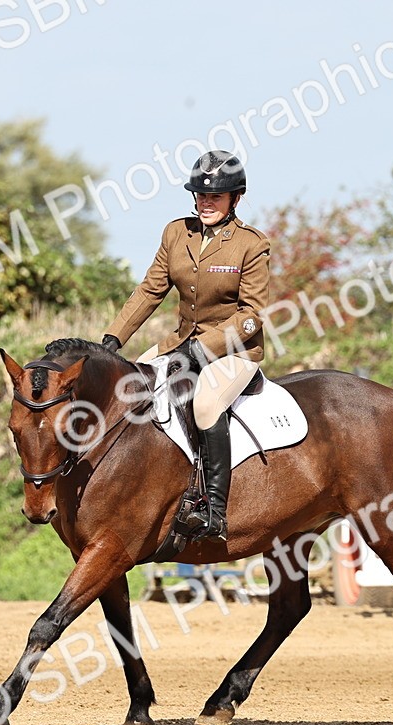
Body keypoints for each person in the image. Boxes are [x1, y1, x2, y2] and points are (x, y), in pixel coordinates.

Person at [101, 150, 271, 542]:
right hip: (179, 343)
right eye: (201, 195)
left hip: (235, 351)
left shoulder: (251, 244)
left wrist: (203, 348)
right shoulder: (177, 233)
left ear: (235, 199)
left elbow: (252, 315)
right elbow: (150, 290)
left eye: (216, 197)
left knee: (206, 403)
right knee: (129, 387)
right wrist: (114, 338)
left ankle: (214, 510)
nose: (206, 203)